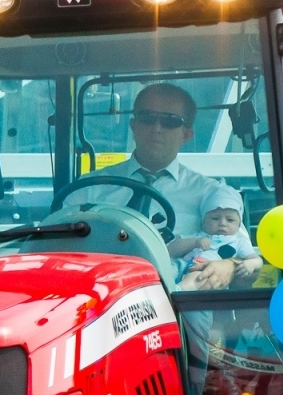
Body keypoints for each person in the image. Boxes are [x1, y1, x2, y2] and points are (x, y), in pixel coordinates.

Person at [69, 83, 247, 290]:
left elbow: (246, 261)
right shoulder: (88, 189)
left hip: (179, 303)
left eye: (170, 121)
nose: (157, 128)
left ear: (187, 135)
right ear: (133, 126)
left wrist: (230, 266)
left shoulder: (211, 193)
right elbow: (55, 248)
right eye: (147, 118)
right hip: (101, 296)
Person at [170, 187, 259, 288]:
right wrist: (194, 242)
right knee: (165, 269)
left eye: (230, 220)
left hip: (207, 270)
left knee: (199, 278)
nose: (222, 223)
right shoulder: (198, 236)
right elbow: (170, 249)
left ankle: (178, 290)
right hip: (180, 264)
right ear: (203, 223)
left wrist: (251, 264)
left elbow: (257, 260)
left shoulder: (238, 242)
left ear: (239, 226)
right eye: (215, 218)